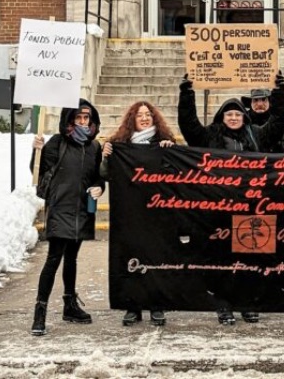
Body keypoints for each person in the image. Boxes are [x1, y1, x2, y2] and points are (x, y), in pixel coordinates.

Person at [178, 72, 284, 324]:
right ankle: (224, 305)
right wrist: (187, 92)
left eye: (238, 114)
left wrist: (279, 91)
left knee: (252, 257)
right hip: (220, 208)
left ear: (244, 117)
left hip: (252, 206)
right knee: (222, 259)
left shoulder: (256, 135)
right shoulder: (209, 136)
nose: (233, 118)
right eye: (229, 114)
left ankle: (248, 304)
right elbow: (188, 123)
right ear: (222, 117)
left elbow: (278, 121)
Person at [29, 100, 105, 336]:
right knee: (53, 259)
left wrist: (99, 188)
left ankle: (69, 305)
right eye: (78, 117)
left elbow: (98, 177)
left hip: (82, 209)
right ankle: (40, 311)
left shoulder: (94, 147)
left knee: (72, 258)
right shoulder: (57, 142)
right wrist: (36, 151)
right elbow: (38, 172)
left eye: (86, 118)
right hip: (60, 207)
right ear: (70, 119)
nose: (83, 122)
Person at [100, 101, 177, 326]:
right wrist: (106, 157)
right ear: (132, 119)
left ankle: (156, 305)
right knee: (129, 257)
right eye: (139, 115)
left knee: (156, 257)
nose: (144, 118)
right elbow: (105, 174)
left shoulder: (164, 142)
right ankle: (132, 305)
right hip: (129, 212)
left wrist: (170, 153)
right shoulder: (120, 145)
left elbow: (176, 175)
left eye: (148, 114)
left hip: (156, 212)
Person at [243, 74, 284, 153]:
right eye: (255, 100)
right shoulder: (242, 124)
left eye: (264, 99)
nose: (259, 104)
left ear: (270, 102)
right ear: (250, 103)